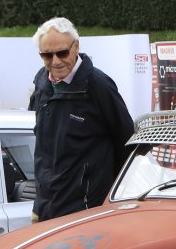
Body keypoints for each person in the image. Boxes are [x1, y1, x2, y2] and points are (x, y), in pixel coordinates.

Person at [28, 17, 135, 222]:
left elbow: (127, 142)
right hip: (47, 209)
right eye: (47, 55)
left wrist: (112, 200)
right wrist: (39, 205)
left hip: (86, 211)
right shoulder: (42, 83)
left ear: (76, 47)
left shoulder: (99, 85)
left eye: (62, 53)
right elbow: (42, 151)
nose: (55, 61)